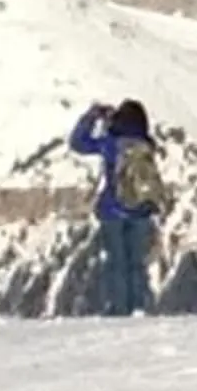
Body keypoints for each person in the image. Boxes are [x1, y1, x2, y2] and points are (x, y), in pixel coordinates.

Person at [70, 98, 166, 316]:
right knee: (137, 265)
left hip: (113, 210)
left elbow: (78, 143)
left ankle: (119, 309)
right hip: (142, 210)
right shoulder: (146, 145)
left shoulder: (111, 144)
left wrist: (93, 116)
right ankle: (139, 307)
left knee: (117, 264)